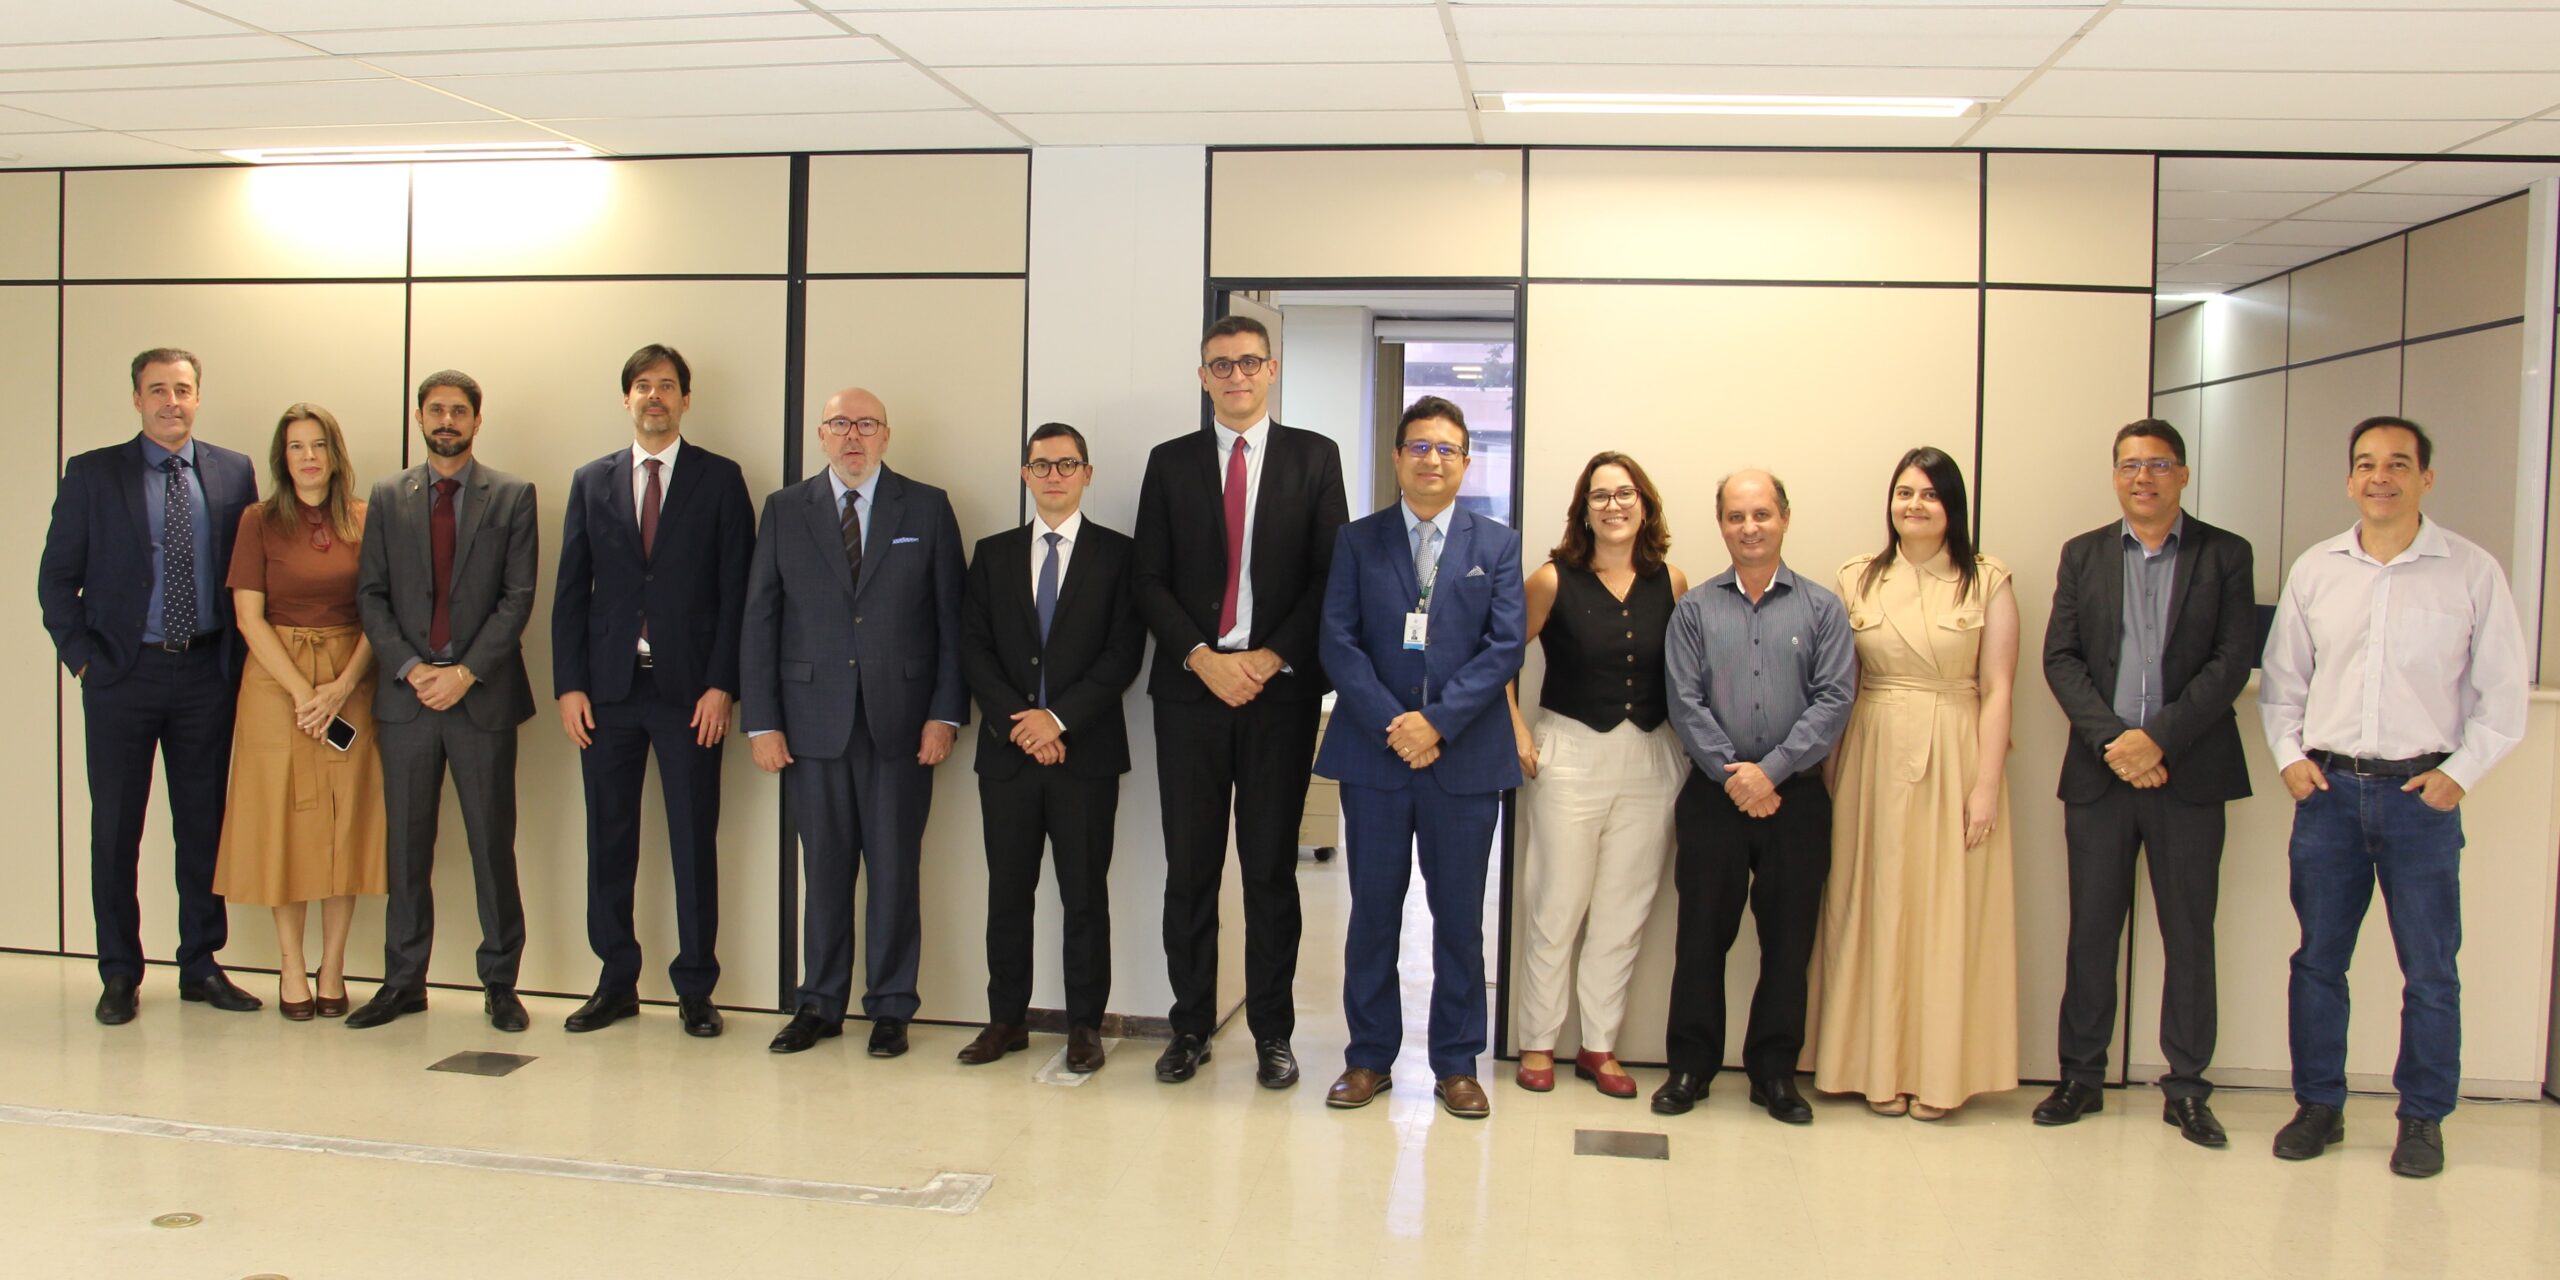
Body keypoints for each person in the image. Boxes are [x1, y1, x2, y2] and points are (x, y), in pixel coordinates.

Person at [2259, 415, 2527, 1179]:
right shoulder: (2317, 570)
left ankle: (2422, 1119)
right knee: (2318, 961)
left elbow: (2504, 696)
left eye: (2399, 464)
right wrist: (2289, 758)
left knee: (2431, 971)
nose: (2382, 477)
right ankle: (2319, 1106)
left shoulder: (2470, 572)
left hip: (2420, 799)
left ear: (2425, 478)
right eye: (2367, 464)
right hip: (2328, 795)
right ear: (2350, 480)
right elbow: (2283, 684)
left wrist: (2459, 773)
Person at [1132, 314, 1348, 1088]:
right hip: (1189, 696)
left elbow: (1330, 574)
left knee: (1270, 872)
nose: (1237, 376)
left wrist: (1269, 656)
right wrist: (1201, 657)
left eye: (1249, 362)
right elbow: (1147, 578)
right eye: (1221, 365)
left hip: (1278, 695)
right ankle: (1190, 1026)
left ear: (1271, 370)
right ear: (1203, 378)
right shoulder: (1170, 463)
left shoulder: (1314, 458)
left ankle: (1272, 1034)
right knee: (1189, 870)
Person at [2035, 419, 2257, 1147]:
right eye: (2130, 465)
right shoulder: (2084, 554)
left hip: (2188, 775)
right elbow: (2061, 658)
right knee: (2091, 933)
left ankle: (2187, 1088)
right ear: (2115, 475)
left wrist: (2156, 739)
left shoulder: (2225, 554)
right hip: (2101, 777)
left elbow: (2230, 662)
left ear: (2183, 474)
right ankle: (2081, 1077)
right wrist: (2116, 743)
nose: (2143, 478)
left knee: (2189, 935)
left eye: (2158, 464)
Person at [1315, 397, 1525, 1120]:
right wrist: (1394, 723)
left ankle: (1457, 1063)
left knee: (1459, 917)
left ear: (1465, 461)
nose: (1432, 459)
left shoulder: (1497, 544)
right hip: (1375, 758)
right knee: (1373, 911)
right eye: (1419, 446)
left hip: (1464, 761)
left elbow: (1504, 647)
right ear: (1398, 457)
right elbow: (1337, 641)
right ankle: (1368, 1057)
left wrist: (1436, 723)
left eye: (1447, 448)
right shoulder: (1357, 540)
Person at [39, 348, 263, 1024]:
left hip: (205, 673)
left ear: (198, 397)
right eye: (157, 390)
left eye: (183, 389)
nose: (171, 401)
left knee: (202, 826)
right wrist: (84, 661)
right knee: (115, 830)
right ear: (136, 398)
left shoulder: (233, 472)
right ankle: (119, 972)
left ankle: (201, 963)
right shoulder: (92, 473)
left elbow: (251, 572)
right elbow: (57, 581)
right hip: (121, 675)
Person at [744, 386, 965, 1059]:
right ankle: (819, 1003)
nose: (852, 436)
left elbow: (952, 621)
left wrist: (945, 713)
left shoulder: (926, 506)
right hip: (810, 725)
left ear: (886, 436)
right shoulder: (785, 509)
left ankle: (891, 1006)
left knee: (895, 872)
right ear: (821, 434)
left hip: (902, 725)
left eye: (866, 424)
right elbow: (760, 617)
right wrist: (762, 722)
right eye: (840, 423)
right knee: (825, 871)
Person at [1810, 445, 2020, 1120]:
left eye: (1929, 494)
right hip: (1872, 753)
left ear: (1952, 504)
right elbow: (1840, 687)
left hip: (1957, 752)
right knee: (1873, 905)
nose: (1915, 505)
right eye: (1904, 492)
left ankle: (1937, 1075)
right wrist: (1831, 772)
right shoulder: (1857, 579)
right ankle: (1872, 1068)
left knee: (1946, 912)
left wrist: (1986, 785)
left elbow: (1999, 687)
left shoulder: (1986, 581)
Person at [552, 344, 753, 1039]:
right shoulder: (591, 480)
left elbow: (738, 594)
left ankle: (696, 988)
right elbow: (571, 590)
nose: (655, 396)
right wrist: (570, 685)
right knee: (608, 841)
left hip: (689, 695)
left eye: (667, 385)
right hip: (607, 694)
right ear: (627, 398)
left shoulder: (720, 479)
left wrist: (723, 684)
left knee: (693, 841)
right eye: (643, 385)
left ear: (686, 399)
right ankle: (615, 983)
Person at [1653, 469, 1853, 1123]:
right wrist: (1736, 775)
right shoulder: (1694, 610)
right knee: (1700, 938)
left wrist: (1771, 772)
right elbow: (1683, 702)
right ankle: (1690, 1068)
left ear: (1785, 518)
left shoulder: (1822, 609)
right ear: (1721, 525)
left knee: (1789, 944)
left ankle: (1775, 1074)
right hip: (1714, 798)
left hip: (1797, 799)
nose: (1749, 527)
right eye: (1736, 516)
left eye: (1761, 514)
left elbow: (1834, 699)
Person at [346, 370, 540, 1032]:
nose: (447, 420)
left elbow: (517, 597)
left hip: (480, 700)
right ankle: (403, 982)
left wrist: (464, 672)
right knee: (406, 850)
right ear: (420, 418)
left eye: (459, 410)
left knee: (492, 846)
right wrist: (410, 668)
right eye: (436, 410)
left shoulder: (511, 495)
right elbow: (371, 595)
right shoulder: (386, 495)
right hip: (407, 702)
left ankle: (500, 984)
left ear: (478, 420)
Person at [955, 422, 1146, 1074]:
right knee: (1008, 893)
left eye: (1067, 464)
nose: (1055, 475)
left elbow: (1123, 654)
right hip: (1007, 757)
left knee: (1084, 895)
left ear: (1087, 474)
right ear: (1025, 474)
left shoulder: (1118, 556)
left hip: (1085, 755)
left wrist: (1057, 721)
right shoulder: (992, 555)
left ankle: (1084, 1026)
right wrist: (1023, 725)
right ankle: (1005, 1020)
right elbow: (973, 648)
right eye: (1042, 465)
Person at [1505, 451, 1689, 1099]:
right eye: (1600, 495)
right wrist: (1516, 727)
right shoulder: (1552, 579)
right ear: (1584, 510)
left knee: (1624, 910)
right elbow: (1500, 656)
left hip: (1652, 759)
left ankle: (1598, 1046)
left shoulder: (1672, 581)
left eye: (1625, 493)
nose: (1614, 505)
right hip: (1571, 754)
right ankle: (1537, 1041)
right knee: (1556, 904)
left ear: (1645, 504)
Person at [211, 403, 386, 1020]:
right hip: (274, 681)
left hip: (349, 679)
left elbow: (380, 611)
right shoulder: (258, 521)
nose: (308, 457)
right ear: (281, 459)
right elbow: (247, 616)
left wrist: (339, 688)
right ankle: (290, 965)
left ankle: (333, 966)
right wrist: (301, 693)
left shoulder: (367, 518)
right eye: (296, 447)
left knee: (345, 825)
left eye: (318, 445)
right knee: (282, 826)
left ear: (335, 455)